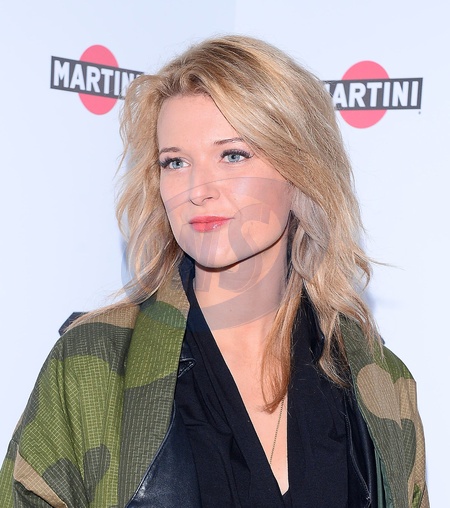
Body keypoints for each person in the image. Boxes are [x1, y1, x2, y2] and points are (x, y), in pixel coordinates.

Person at [0, 35, 428, 508]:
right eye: (175, 162)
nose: (197, 189)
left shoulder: (381, 383)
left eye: (233, 155)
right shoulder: (93, 365)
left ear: (301, 172)